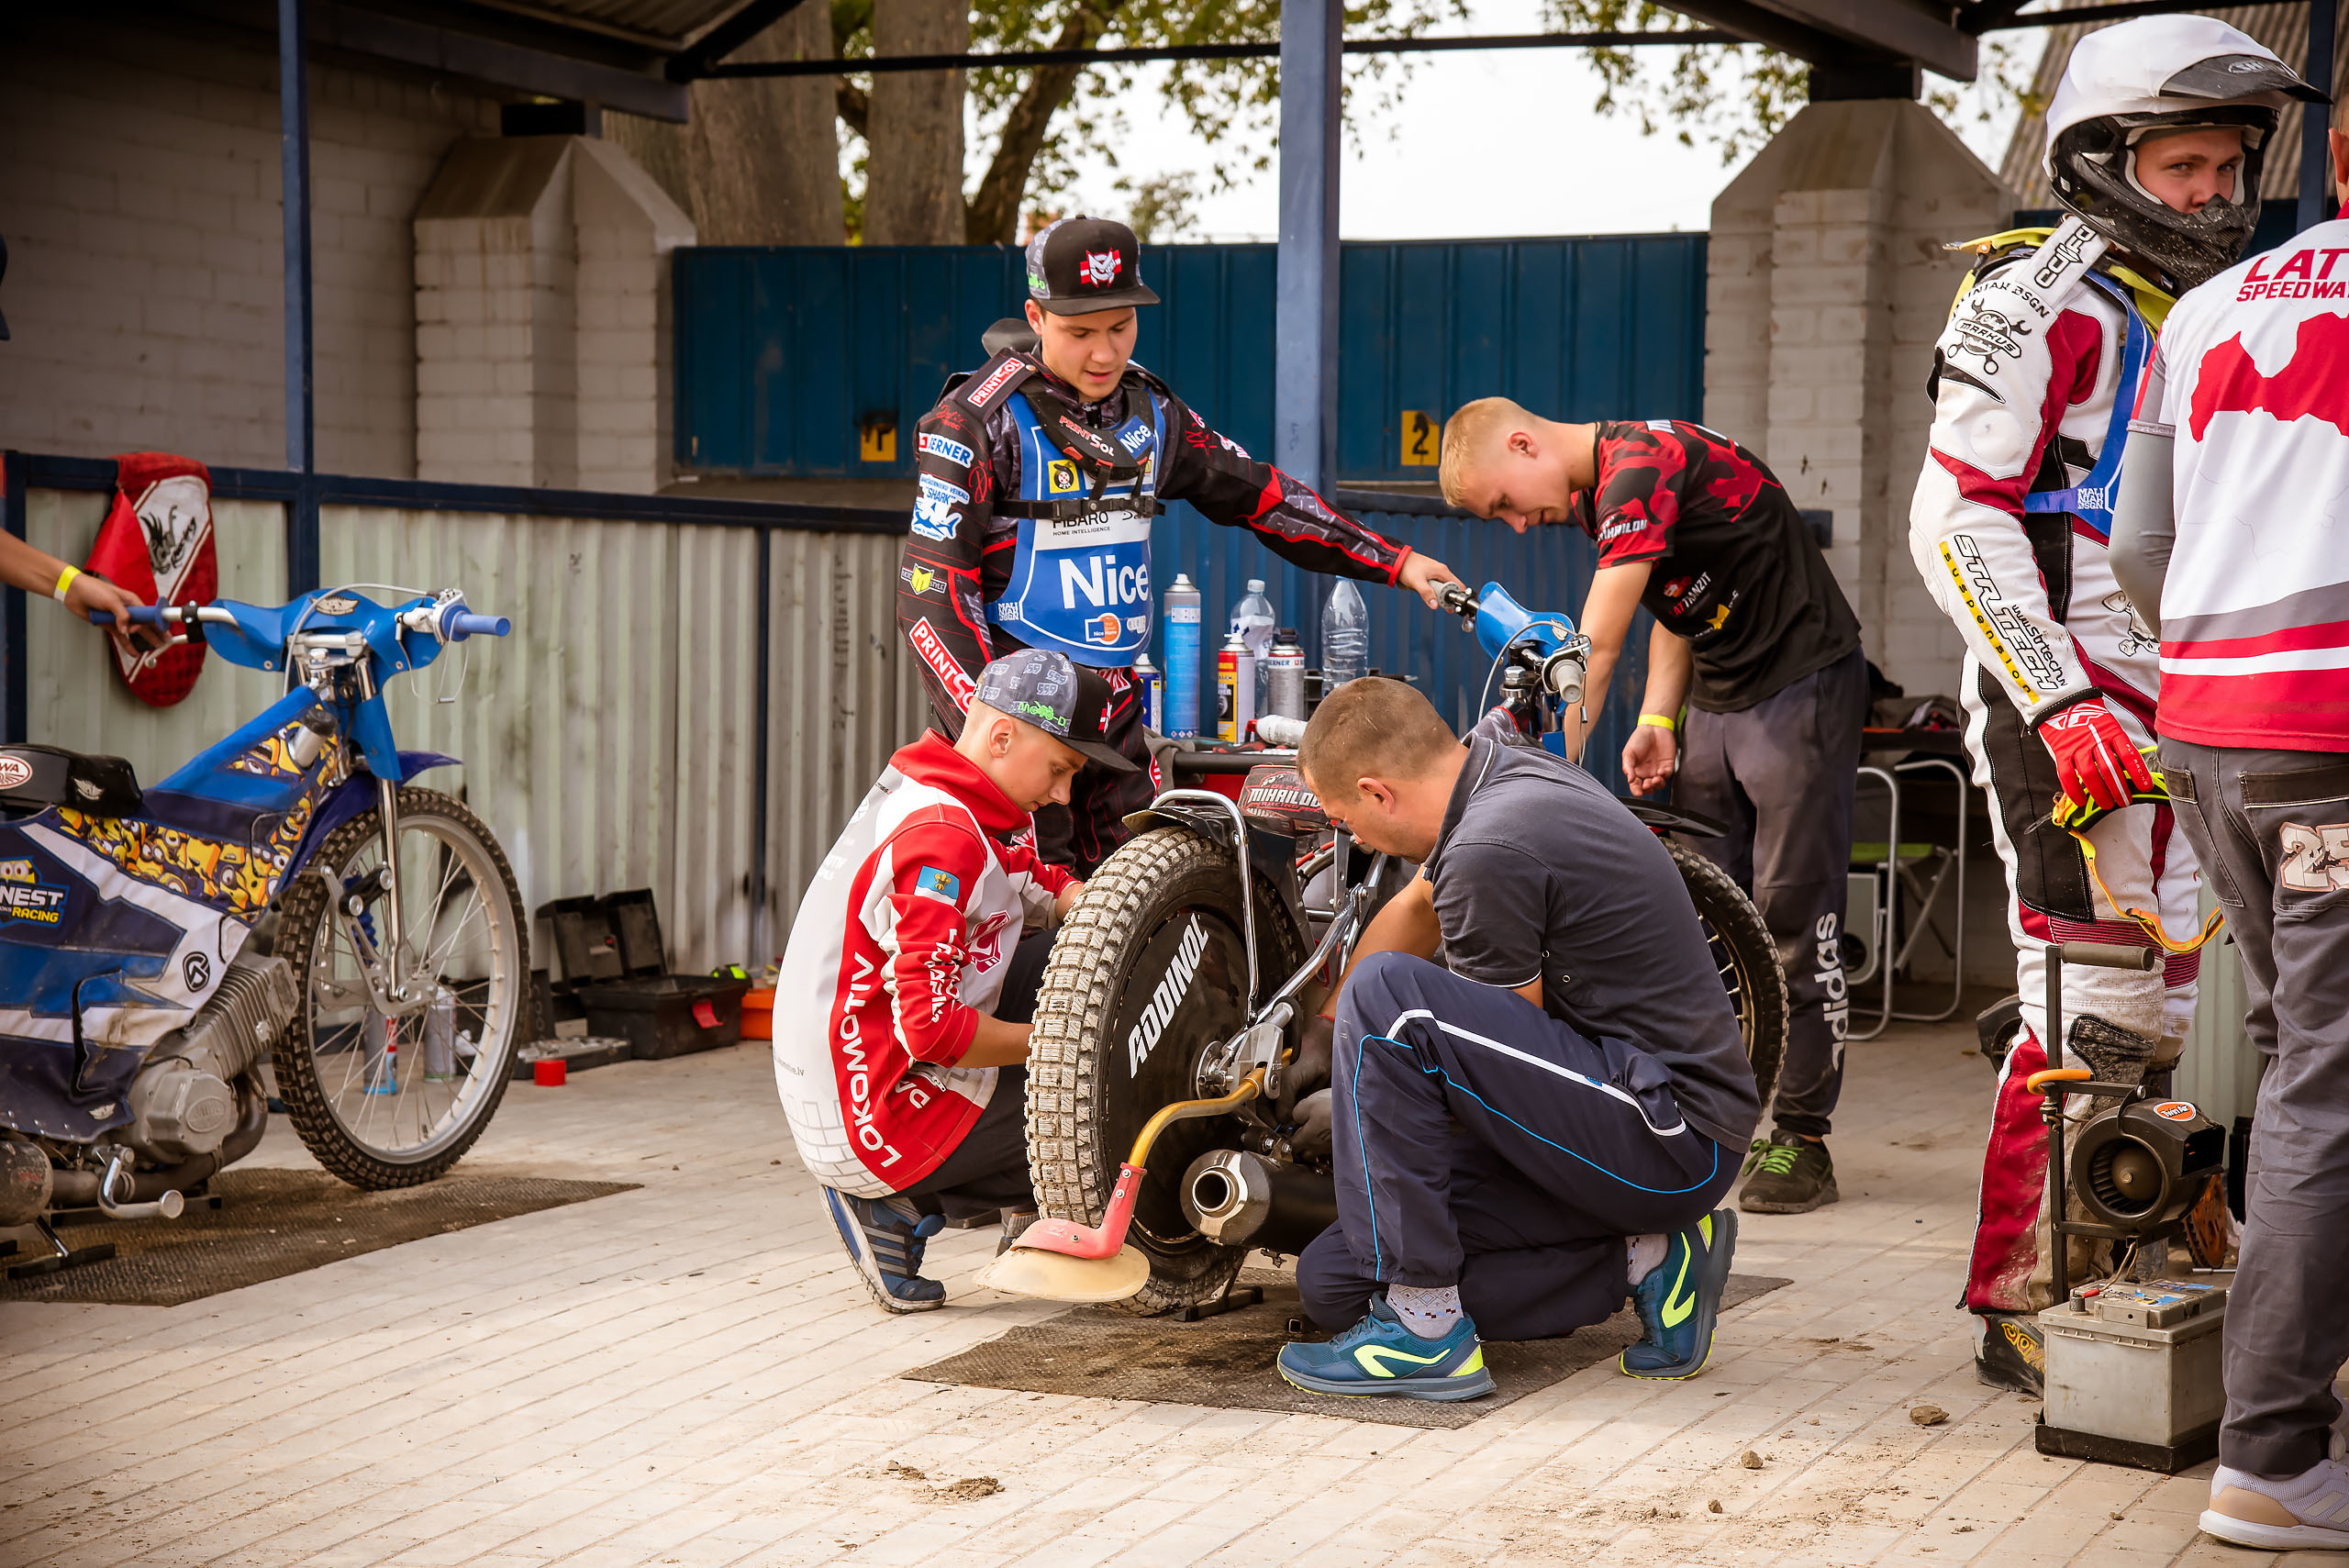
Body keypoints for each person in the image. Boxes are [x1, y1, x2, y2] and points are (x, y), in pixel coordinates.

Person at [1907, 12, 2317, 1396]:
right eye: (2184, 162)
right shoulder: (2034, 292)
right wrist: (2059, 692)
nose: (2213, 190)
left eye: (2226, 164)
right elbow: (1951, 518)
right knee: (2090, 1004)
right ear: (2106, 158)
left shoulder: (2233, 304)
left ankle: (2152, 1260)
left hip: (2201, 710)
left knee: (2196, 1003)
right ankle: (2027, 1293)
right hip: (2059, 704)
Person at [899, 215, 1462, 874]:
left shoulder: (1151, 413)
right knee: (1023, 937)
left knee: (1151, 917)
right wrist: (988, 735)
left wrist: (1396, 561)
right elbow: (929, 594)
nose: (1105, 354)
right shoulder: (976, 423)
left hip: (1115, 727)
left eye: (1120, 326)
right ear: (1036, 315)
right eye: (1080, 332)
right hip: (1018, 736)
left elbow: (1260, 495)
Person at [1272, 677, 1760, 1401]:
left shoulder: (1489, 848)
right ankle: (1653, 1259)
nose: (1354, 838)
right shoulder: (1494, 767)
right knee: (1336, 1280)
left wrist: (1361, 1099)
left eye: (1347, 819)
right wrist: (1322, 1029)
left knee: (1390, 997)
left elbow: (1492, 1081)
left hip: (1672, 1133)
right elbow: (1414, 905)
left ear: (1379, 792)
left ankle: (1426, 1331)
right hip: (1604, 1106)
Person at [2108, 93, 2349, 1551]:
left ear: (2332, 155)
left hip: (2211, 738)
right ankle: (2271, 1455)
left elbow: (2140, 544)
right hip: (2329, 755)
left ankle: (2282, 1394)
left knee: (2300, 1053)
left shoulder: (2205, 306)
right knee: (2333, 1077)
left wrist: (2215, 675)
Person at [1437, 402, 1864, 1217]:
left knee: (1792, 917)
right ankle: (1713, 1114)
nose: (1519, 525)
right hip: (1721, 692)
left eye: (1505, 503)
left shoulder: (1640, 464)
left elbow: (1591, 653)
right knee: (1701, 911)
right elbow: (1673, 605)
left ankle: (1804, 1136)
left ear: (1524, 443)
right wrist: (1659, 716)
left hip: (1802, 678)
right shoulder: (1608, 494)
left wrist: (1538, 785)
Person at [773, 649, 1132, 1314]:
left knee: (1081, 962)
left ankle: (972, 1201)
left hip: (857, 1077)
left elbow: (1030, 878)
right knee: (1100, 1105)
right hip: (872, 1117)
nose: (1061, 794)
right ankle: (899, 1205)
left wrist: (1105, 901)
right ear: (1002, 736)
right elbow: (932, 1029)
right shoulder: (942, 837)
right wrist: (1062, 1044)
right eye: (1059, 770)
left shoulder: (960, 793)